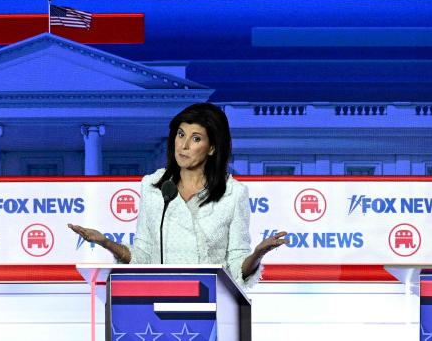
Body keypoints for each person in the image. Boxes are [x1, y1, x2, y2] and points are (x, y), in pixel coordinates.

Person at [69, 103, 286, 287]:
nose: (183, 146)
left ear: (212, 148)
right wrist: (107, 243)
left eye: (196, 139)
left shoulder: (233, 193)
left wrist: (257, 254)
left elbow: (237, 266)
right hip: (159, 298)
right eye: (181, 135)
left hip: (209, 301)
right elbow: (143, 255)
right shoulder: (152, 186)